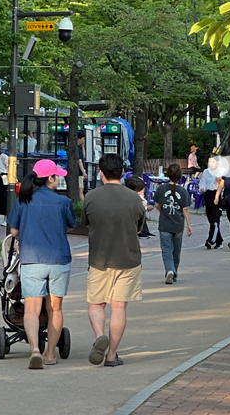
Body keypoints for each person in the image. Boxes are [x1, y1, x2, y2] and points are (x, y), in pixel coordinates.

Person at [7, 159, 76, 369]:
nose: (59, 180)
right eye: (57, 177)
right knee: (55, 309)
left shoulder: (23, 201)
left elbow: (14, 231)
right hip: (58, 259)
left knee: (31, 310)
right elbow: (71, 226)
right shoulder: (63, 202)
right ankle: (50, 354)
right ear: (51, 178)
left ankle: (35, 350)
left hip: (32, 259)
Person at [81, 153, 144, 368]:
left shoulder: (91, 197)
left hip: (99, 259)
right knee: (119, 307)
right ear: (122, 172)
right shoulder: (134, 198)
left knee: (96, 303)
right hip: (128, 259)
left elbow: (86, 224)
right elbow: (139, 227)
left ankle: (100, 336)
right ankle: (111, 355)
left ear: (101, 172)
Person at [154, 163, 193, 284]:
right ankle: (174, 272)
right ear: (180, 176)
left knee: (166, 249)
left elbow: (156, 204)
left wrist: (163, 212)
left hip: (164, 224)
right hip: (178, 225)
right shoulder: (183, 191)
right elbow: (185, 209)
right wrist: (189, 225)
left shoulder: (161, 189)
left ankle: (170, 270)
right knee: (176, 251)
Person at [200, 158, 223, 249]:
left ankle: (210, 240)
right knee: (210, 218)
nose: (211, 164)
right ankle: (219, 240)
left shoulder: (221, 172)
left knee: (215, 218)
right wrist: (202, 187)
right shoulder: (206, 171)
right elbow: (203, 182)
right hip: (208, 194)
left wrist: (219, 182)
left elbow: (223, 185)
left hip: (217, 194)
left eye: (213, 162)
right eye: (209, 162)